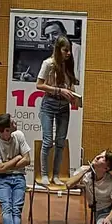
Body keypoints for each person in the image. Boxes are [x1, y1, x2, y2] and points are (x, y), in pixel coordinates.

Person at [36, 35, 79, 187]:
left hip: (64, 106)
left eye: (69, 51)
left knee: (60, 142)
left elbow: (71, 85)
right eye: (65, 50)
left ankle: (55, 175)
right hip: (49, 104)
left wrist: (73, 95)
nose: (68, 53)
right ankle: (44, 174)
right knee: (48, 141)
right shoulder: (48, 64)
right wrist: (58, 90)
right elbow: (39, 85)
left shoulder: (68, 65)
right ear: (58, 49)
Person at [0, 114, 32, 224]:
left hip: (19, 177)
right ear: (6, 129)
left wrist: (6, 165)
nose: (15, 122)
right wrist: (17, 158)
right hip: (1, 179)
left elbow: (27, 160)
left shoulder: (19, 135)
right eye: (12, 122)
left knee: (16, 208)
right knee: (7, 208)